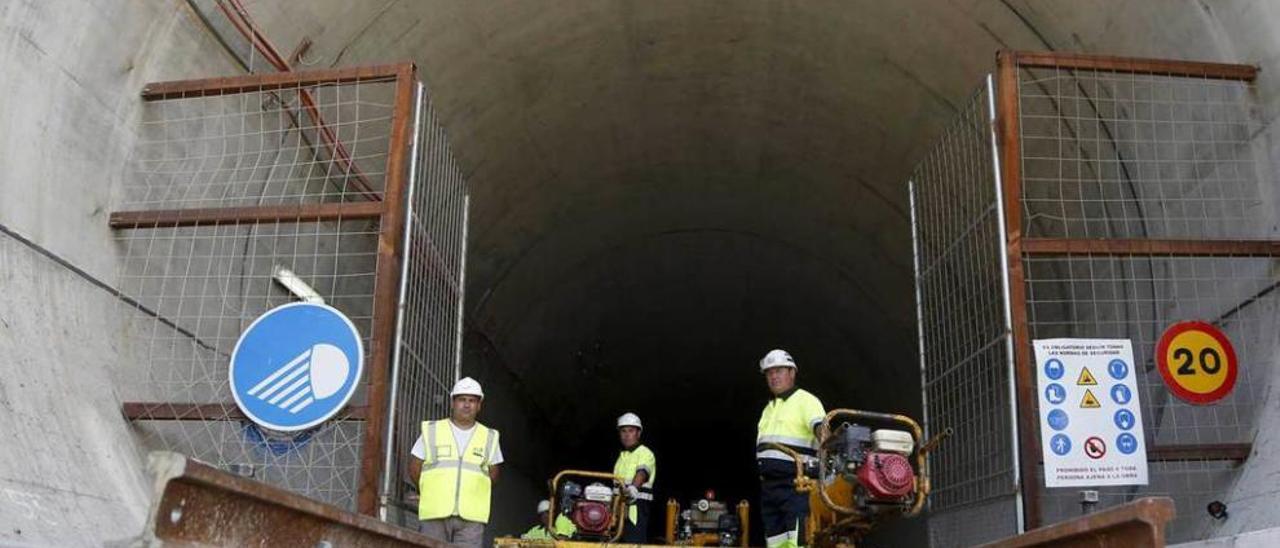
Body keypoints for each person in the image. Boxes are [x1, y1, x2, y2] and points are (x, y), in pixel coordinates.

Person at [408, 377, 503, 547]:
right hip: (435, 514)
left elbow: (493, 474)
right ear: (453, 403)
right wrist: (428, 490)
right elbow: (415, 466)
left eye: (472, 401)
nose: (467, 405)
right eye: (462, 400)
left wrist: (474, 492)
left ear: (479, 405)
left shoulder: (489, 437)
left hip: (471, 518)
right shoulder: (432, 430)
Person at [755, 349, 825, 548]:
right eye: (769, 373)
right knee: (777, 543)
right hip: (770, 489)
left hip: (796, 487)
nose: (773, 376)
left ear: (792, 372)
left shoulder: (806, 401)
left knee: (799, 541)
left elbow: (822, 431)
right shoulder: (768, 409)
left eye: (778, 371)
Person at [613, 412, 656, 543]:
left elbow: (642, 472)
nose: (626, 435)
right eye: (623, 431)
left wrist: (633, 488)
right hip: (618, 509)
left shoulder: (645, 453)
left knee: (633, 543)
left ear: (638, 433)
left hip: (635, 508)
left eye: (631, 431)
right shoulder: (621, 457)